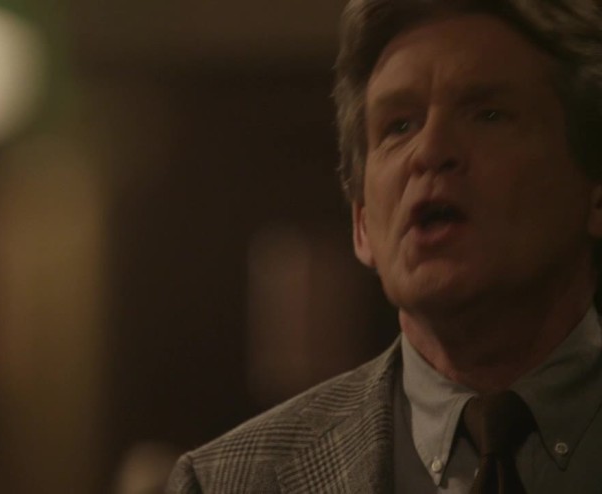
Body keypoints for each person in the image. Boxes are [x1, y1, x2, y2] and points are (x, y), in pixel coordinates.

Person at [167, 0, 602, 492]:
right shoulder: (224, 482)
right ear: (362, 224)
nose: (430, 150)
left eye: (489, 114)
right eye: (399, 126)